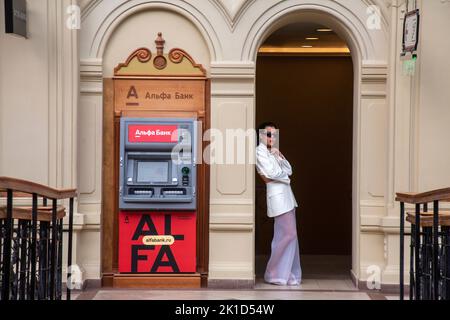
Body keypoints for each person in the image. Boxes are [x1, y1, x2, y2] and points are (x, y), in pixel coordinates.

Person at [256, 122, 302, 286]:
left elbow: (289, 170)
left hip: (287, 197)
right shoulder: (259, 152)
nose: (272, 138)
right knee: (288, 234)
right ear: (261, 135)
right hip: (278, 197)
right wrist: (283, 176)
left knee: (288, 235)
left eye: (274, 135)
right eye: (268, 134)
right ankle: (273, 272)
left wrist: (279, 155)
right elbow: (271, 173)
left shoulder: (273, 152)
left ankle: (284, 273)